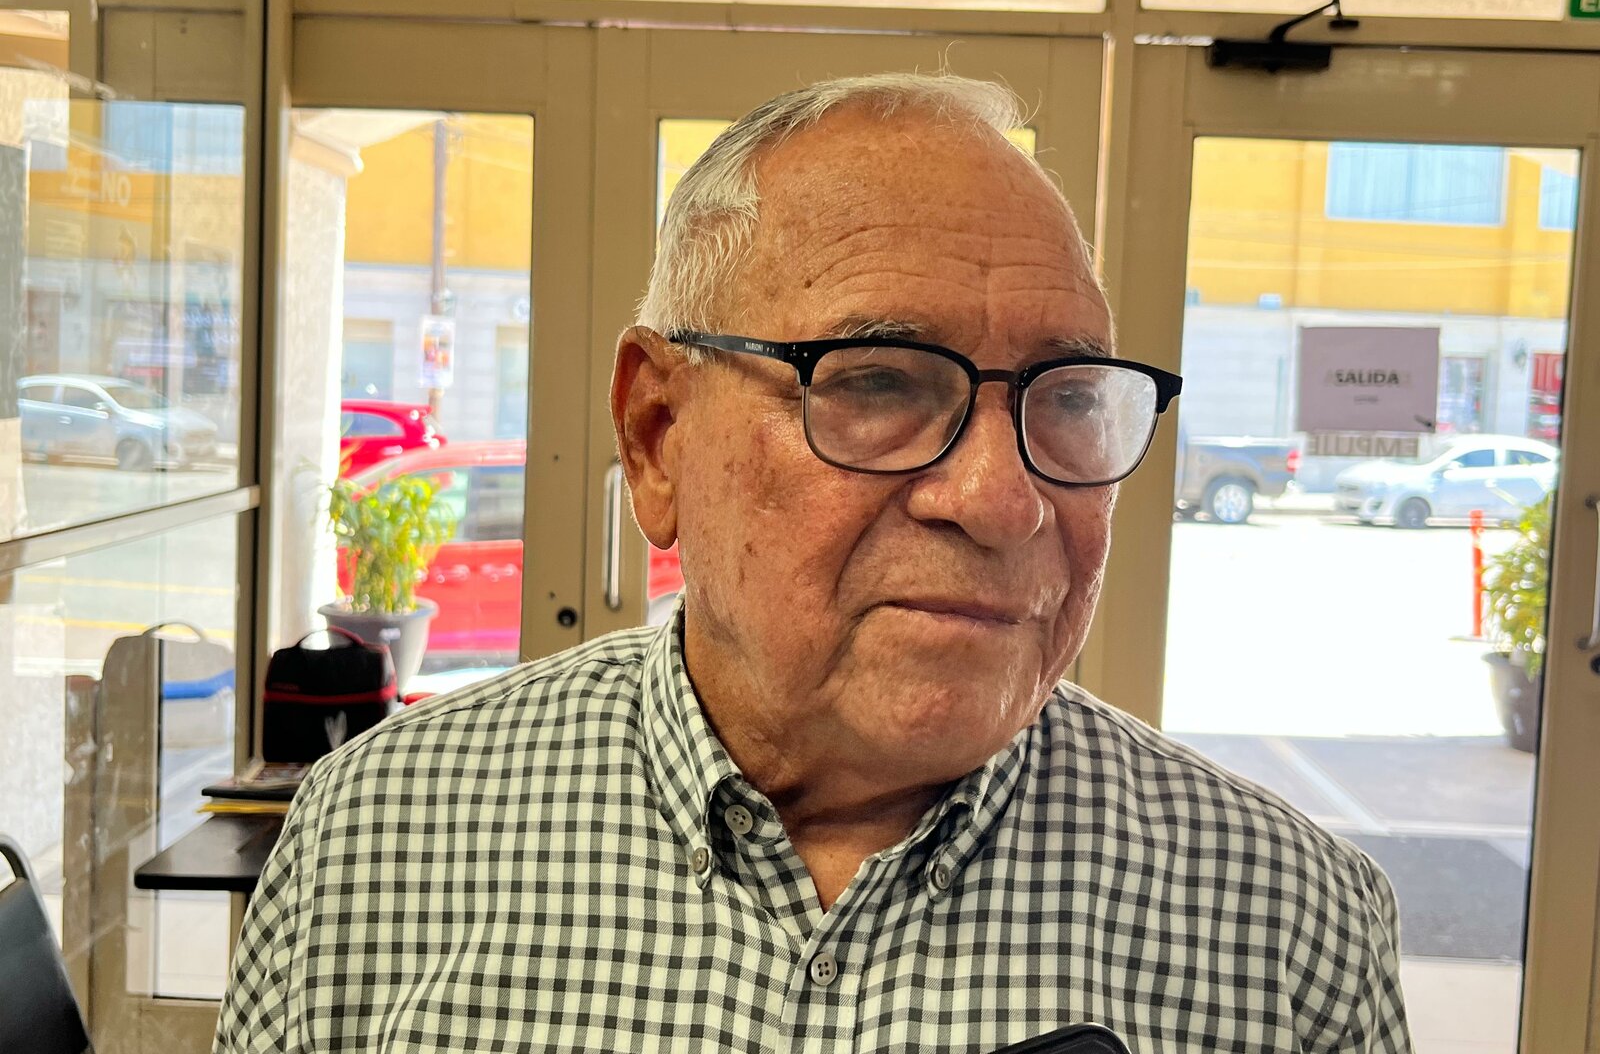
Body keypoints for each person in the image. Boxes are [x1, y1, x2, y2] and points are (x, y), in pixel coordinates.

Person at [217, 74, 1411, 1053]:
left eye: (1068, 398)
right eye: (878, 383)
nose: (1004, 501)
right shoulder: (374, 842)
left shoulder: (1287, 931)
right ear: (657, 437)